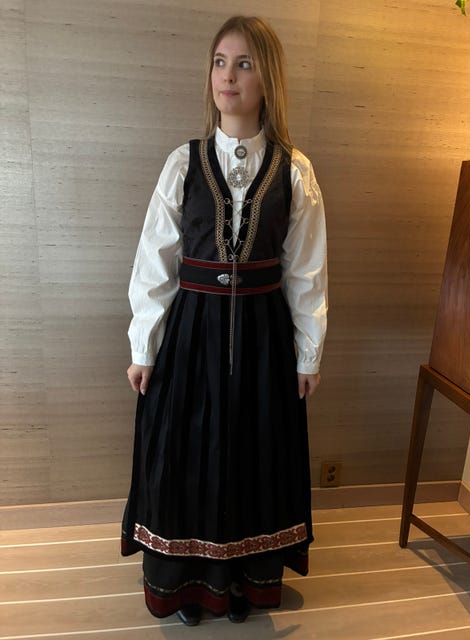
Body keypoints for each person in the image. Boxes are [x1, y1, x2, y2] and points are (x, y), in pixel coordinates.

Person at [121, 15, 328, 626]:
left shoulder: (294, 171)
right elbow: (154, 262)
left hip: (264, 339)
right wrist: (144, 346)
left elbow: (307, 271)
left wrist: (308, 353)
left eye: (243, 64)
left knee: (252, 456)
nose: (228, 77)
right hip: (191, 336)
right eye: (219, 62)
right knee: (188, 454)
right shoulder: (182, 164)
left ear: (268, 78)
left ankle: (244, 584)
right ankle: (188, 587)